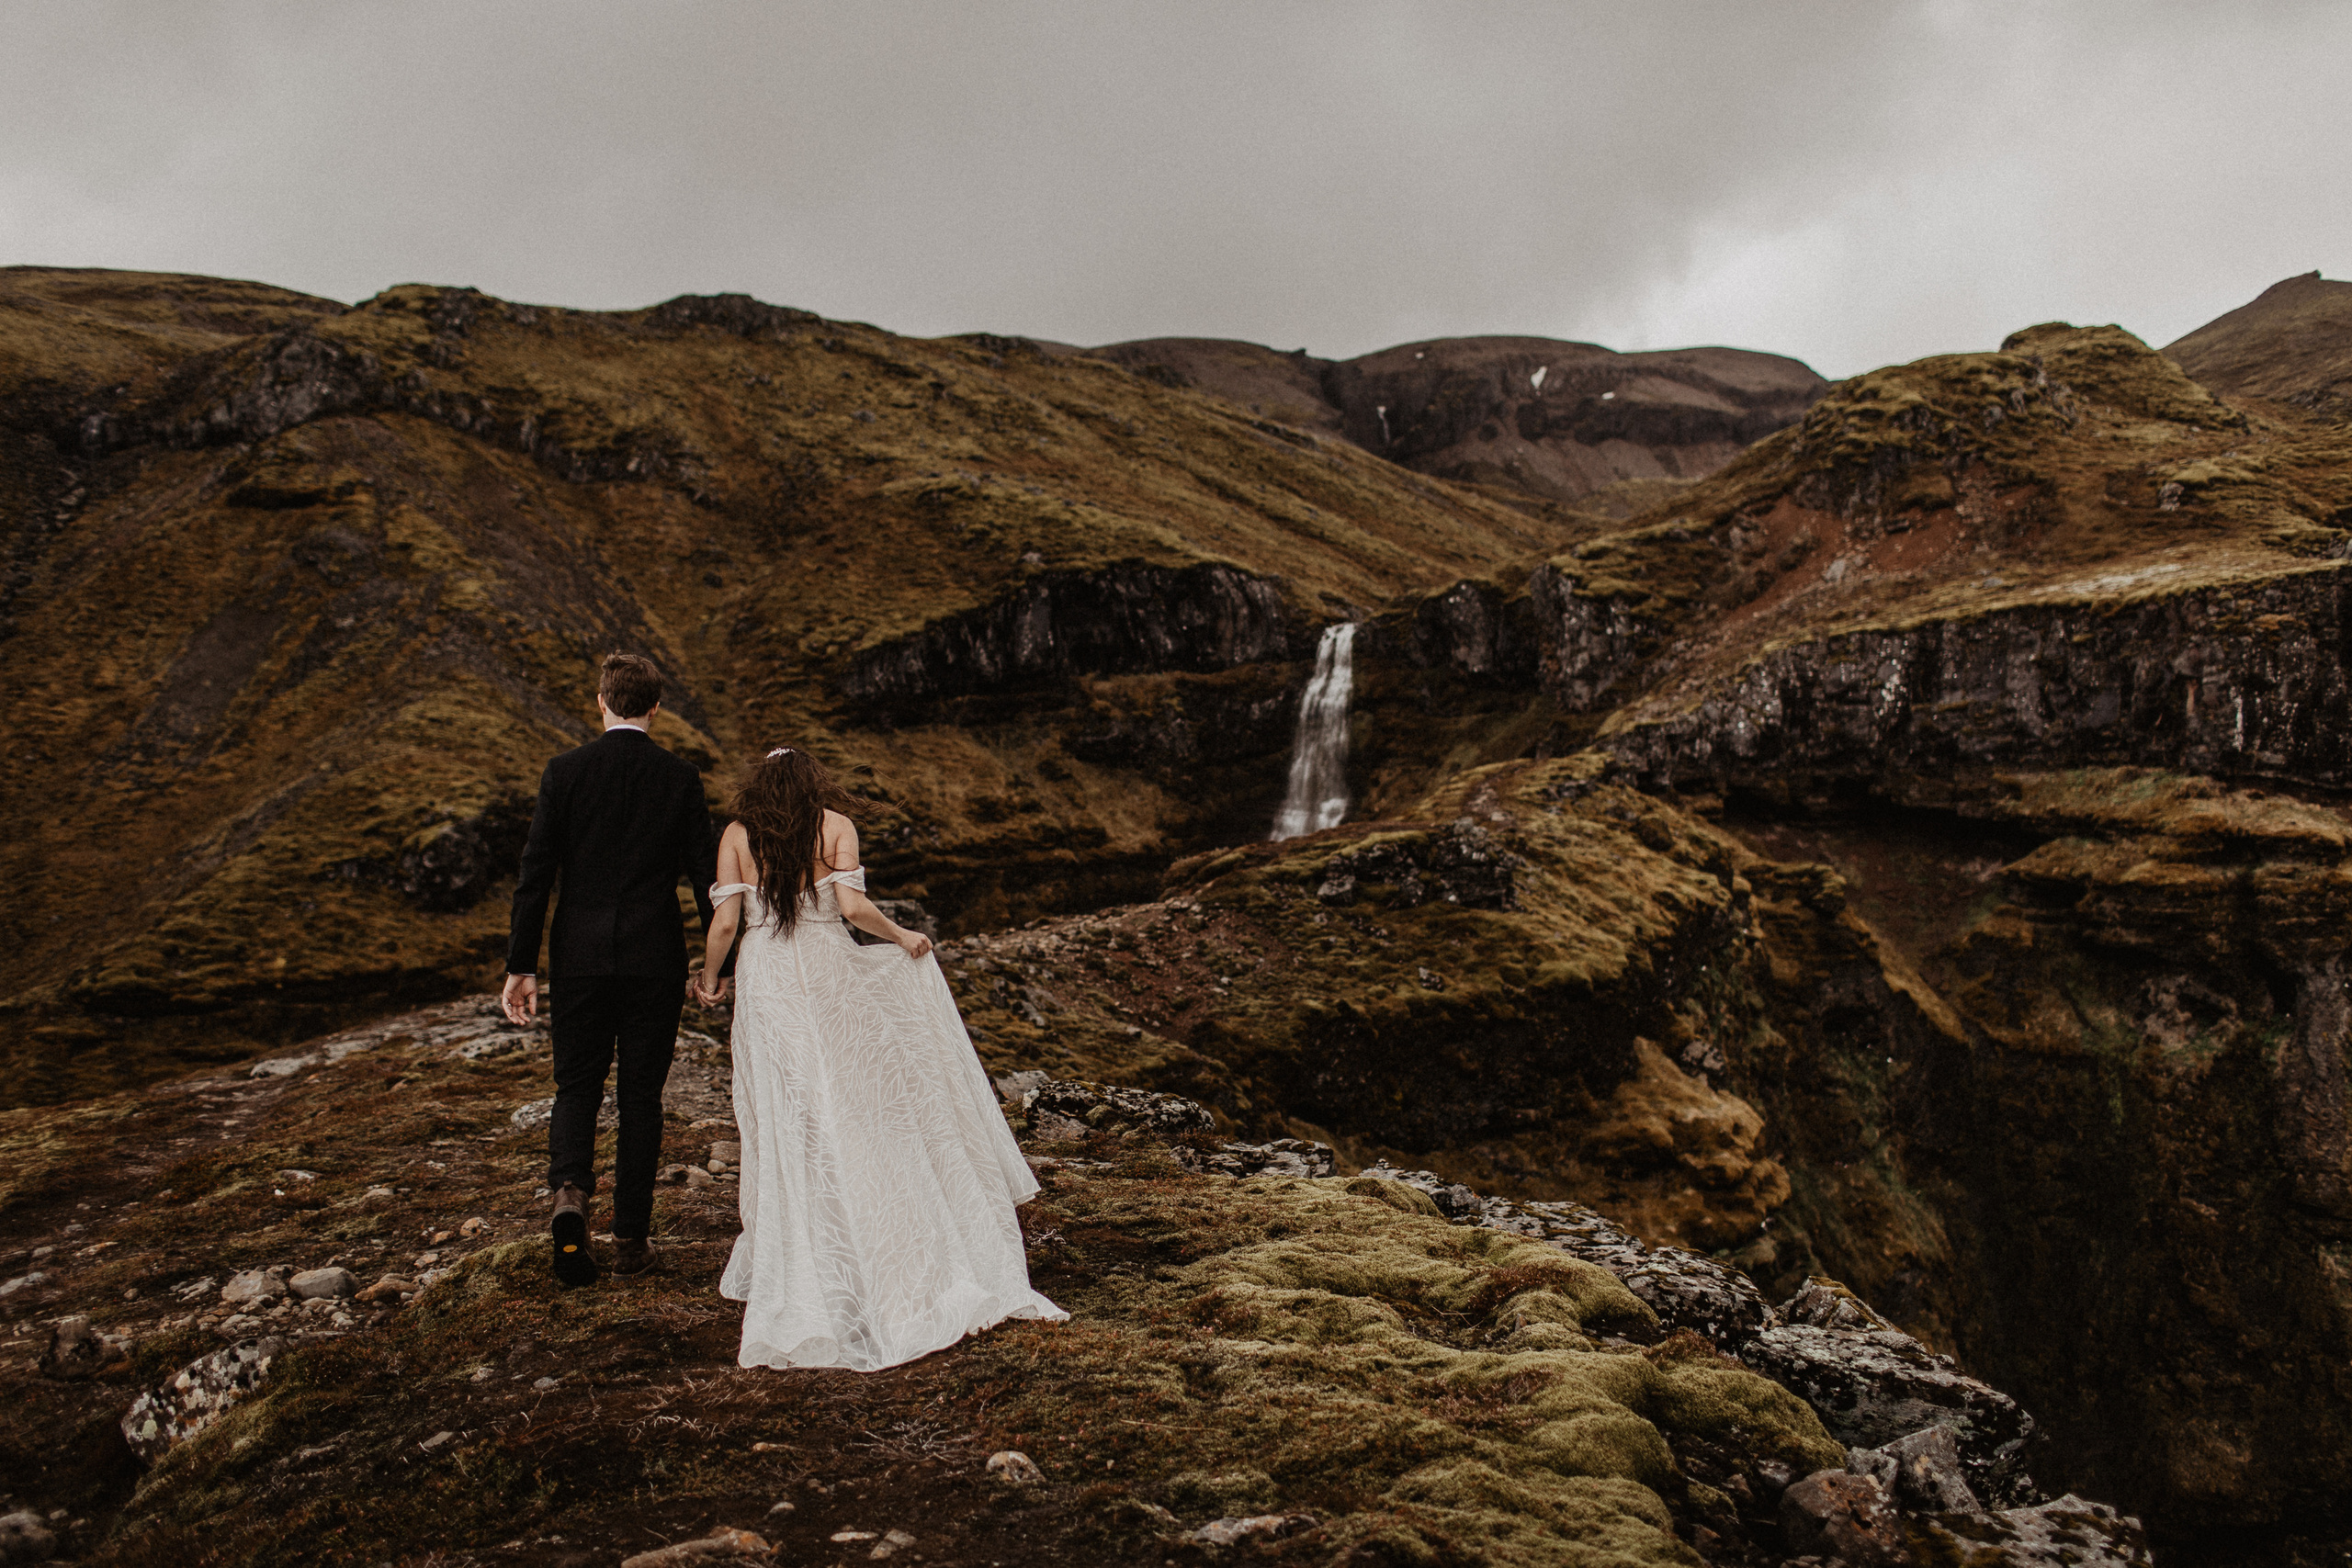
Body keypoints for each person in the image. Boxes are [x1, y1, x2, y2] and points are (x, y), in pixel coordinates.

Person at [694, 745, 1063, 1371]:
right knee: (850, 1096)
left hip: (770, 974)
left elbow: (726, 923)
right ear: (812, 781)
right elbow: (854, 911)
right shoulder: (836, 825)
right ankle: (881, 1231)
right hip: (828, 964)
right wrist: (904, 937)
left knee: (791, 1105)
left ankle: (810, 1238)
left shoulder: (737, 834)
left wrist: (708, 979)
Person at [503, 653, 721, 1288]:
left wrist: (522, 964)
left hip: (580, 956)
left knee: (576, 1086)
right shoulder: (679, 776)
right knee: (640, 1098)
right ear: (656, 706)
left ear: (601, 701)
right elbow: (705, 877)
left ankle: (570, 1194)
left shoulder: (564, 772)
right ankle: (630, 1238)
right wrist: (718, 964)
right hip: (654, 957)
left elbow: (534, 874)